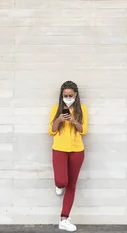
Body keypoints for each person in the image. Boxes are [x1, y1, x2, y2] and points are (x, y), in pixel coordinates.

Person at [48, 81, 88, 232]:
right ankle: (59, 185)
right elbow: (51, 131)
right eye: (65, 95)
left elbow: (84, 130)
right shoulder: (55, 109)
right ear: (62, 95)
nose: (68, 97)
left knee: (72, 185)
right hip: (59, 149)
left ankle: (64, 219)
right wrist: (59, 119)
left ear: (76, 95)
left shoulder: (82, 109)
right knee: (62, 180)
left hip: (77, 150)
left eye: (71, 95)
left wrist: (74, 121)